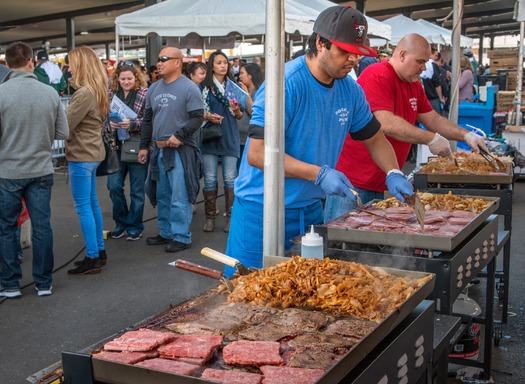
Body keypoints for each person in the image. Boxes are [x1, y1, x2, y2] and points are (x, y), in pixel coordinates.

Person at [225, 6, 413, 275]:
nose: (353, 60)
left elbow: (375, 138)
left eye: (357, 53)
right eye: (344, 51)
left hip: (311, 211)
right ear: (320, 43)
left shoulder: (351, 90)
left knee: (305, 298)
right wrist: (319, 174)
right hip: (261, 211)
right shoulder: (285, 84)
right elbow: (257, 154)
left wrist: (393, 172)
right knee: (248, 296)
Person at [324, 33, 488, 222]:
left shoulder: (414, 85)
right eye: (420, 61)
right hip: (354, 184)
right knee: (341, 242)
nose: (424, 67)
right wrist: (429, 139)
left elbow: (433, 119)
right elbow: (384, 122)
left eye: (426, 62)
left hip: (388, 181)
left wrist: (466, 135)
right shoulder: (377, 74)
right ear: (401, 55)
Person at [0, 42, 69, 298]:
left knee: (6, 227)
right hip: (41, 168)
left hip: (8, 170)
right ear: (31, 62)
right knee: (42, 226)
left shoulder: (1, 93)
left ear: (7, 64)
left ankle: (9, 284)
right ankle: (43, 282)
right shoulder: (49, 93)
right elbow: (64, 133)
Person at [138, 47, 204, 253]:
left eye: (165, 59)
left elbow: (198, 117)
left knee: (179, 195)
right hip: (158, 149)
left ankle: (182, 236)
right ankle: (166, 232)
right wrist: (143, 147)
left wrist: (180, 135)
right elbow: (148, 120)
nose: (160, 62)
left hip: (179, 150)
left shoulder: (189, 88)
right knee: (163, 194)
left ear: (178, 62)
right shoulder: (153, 89)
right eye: (159, 59)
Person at [65, 46, 110, 275]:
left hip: (81, 154)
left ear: (81, 65)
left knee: (84, 206)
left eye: (71, 63)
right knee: (92, 204)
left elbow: (65, 125)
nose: (68, 68)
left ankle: (92, 256)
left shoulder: (83, 93)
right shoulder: (97, 89)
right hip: (92, 152)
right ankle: (98, 252)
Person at [200, 51, 243, 233]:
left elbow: (240, 115)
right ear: (212, 66)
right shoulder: (204, 87)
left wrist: (237, 109)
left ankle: (231, 218)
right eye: (219, 62)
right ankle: (210, 218)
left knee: (230, 179)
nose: (223, 66)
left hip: (229, 135)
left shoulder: (234, 87)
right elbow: (196, 112)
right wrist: (207, 115)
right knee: (209, 179)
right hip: (210, 135)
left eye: (225, 62)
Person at [106, 61, 149, 241]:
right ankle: (121, 221)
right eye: (122, 78)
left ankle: (135, 225)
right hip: (115, 146)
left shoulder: (144, 94)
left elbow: (148, 120)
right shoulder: (110, 94)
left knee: (137, 190)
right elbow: (103, 117)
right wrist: (108, 123)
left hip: (136, 144)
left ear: (136, 77)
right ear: (117, 78)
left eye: (129, 78)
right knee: (113, 186)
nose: (126, 82)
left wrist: (132, 124)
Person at [237, 63, 264, 171]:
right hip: (239, 138)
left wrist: (247, 96)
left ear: (250, 75)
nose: (240, 76)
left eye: (242, 73)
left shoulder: (260, 93)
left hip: (252, 139)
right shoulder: (246, 90)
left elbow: (256, 112)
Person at [420, 47, 445, 114]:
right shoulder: (432, 65)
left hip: (421, 98)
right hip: (432, 98)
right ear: (430, 53)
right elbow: (437, 83)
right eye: (436, 55)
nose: (436, 57)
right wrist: (441, 98)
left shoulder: (419, 63)